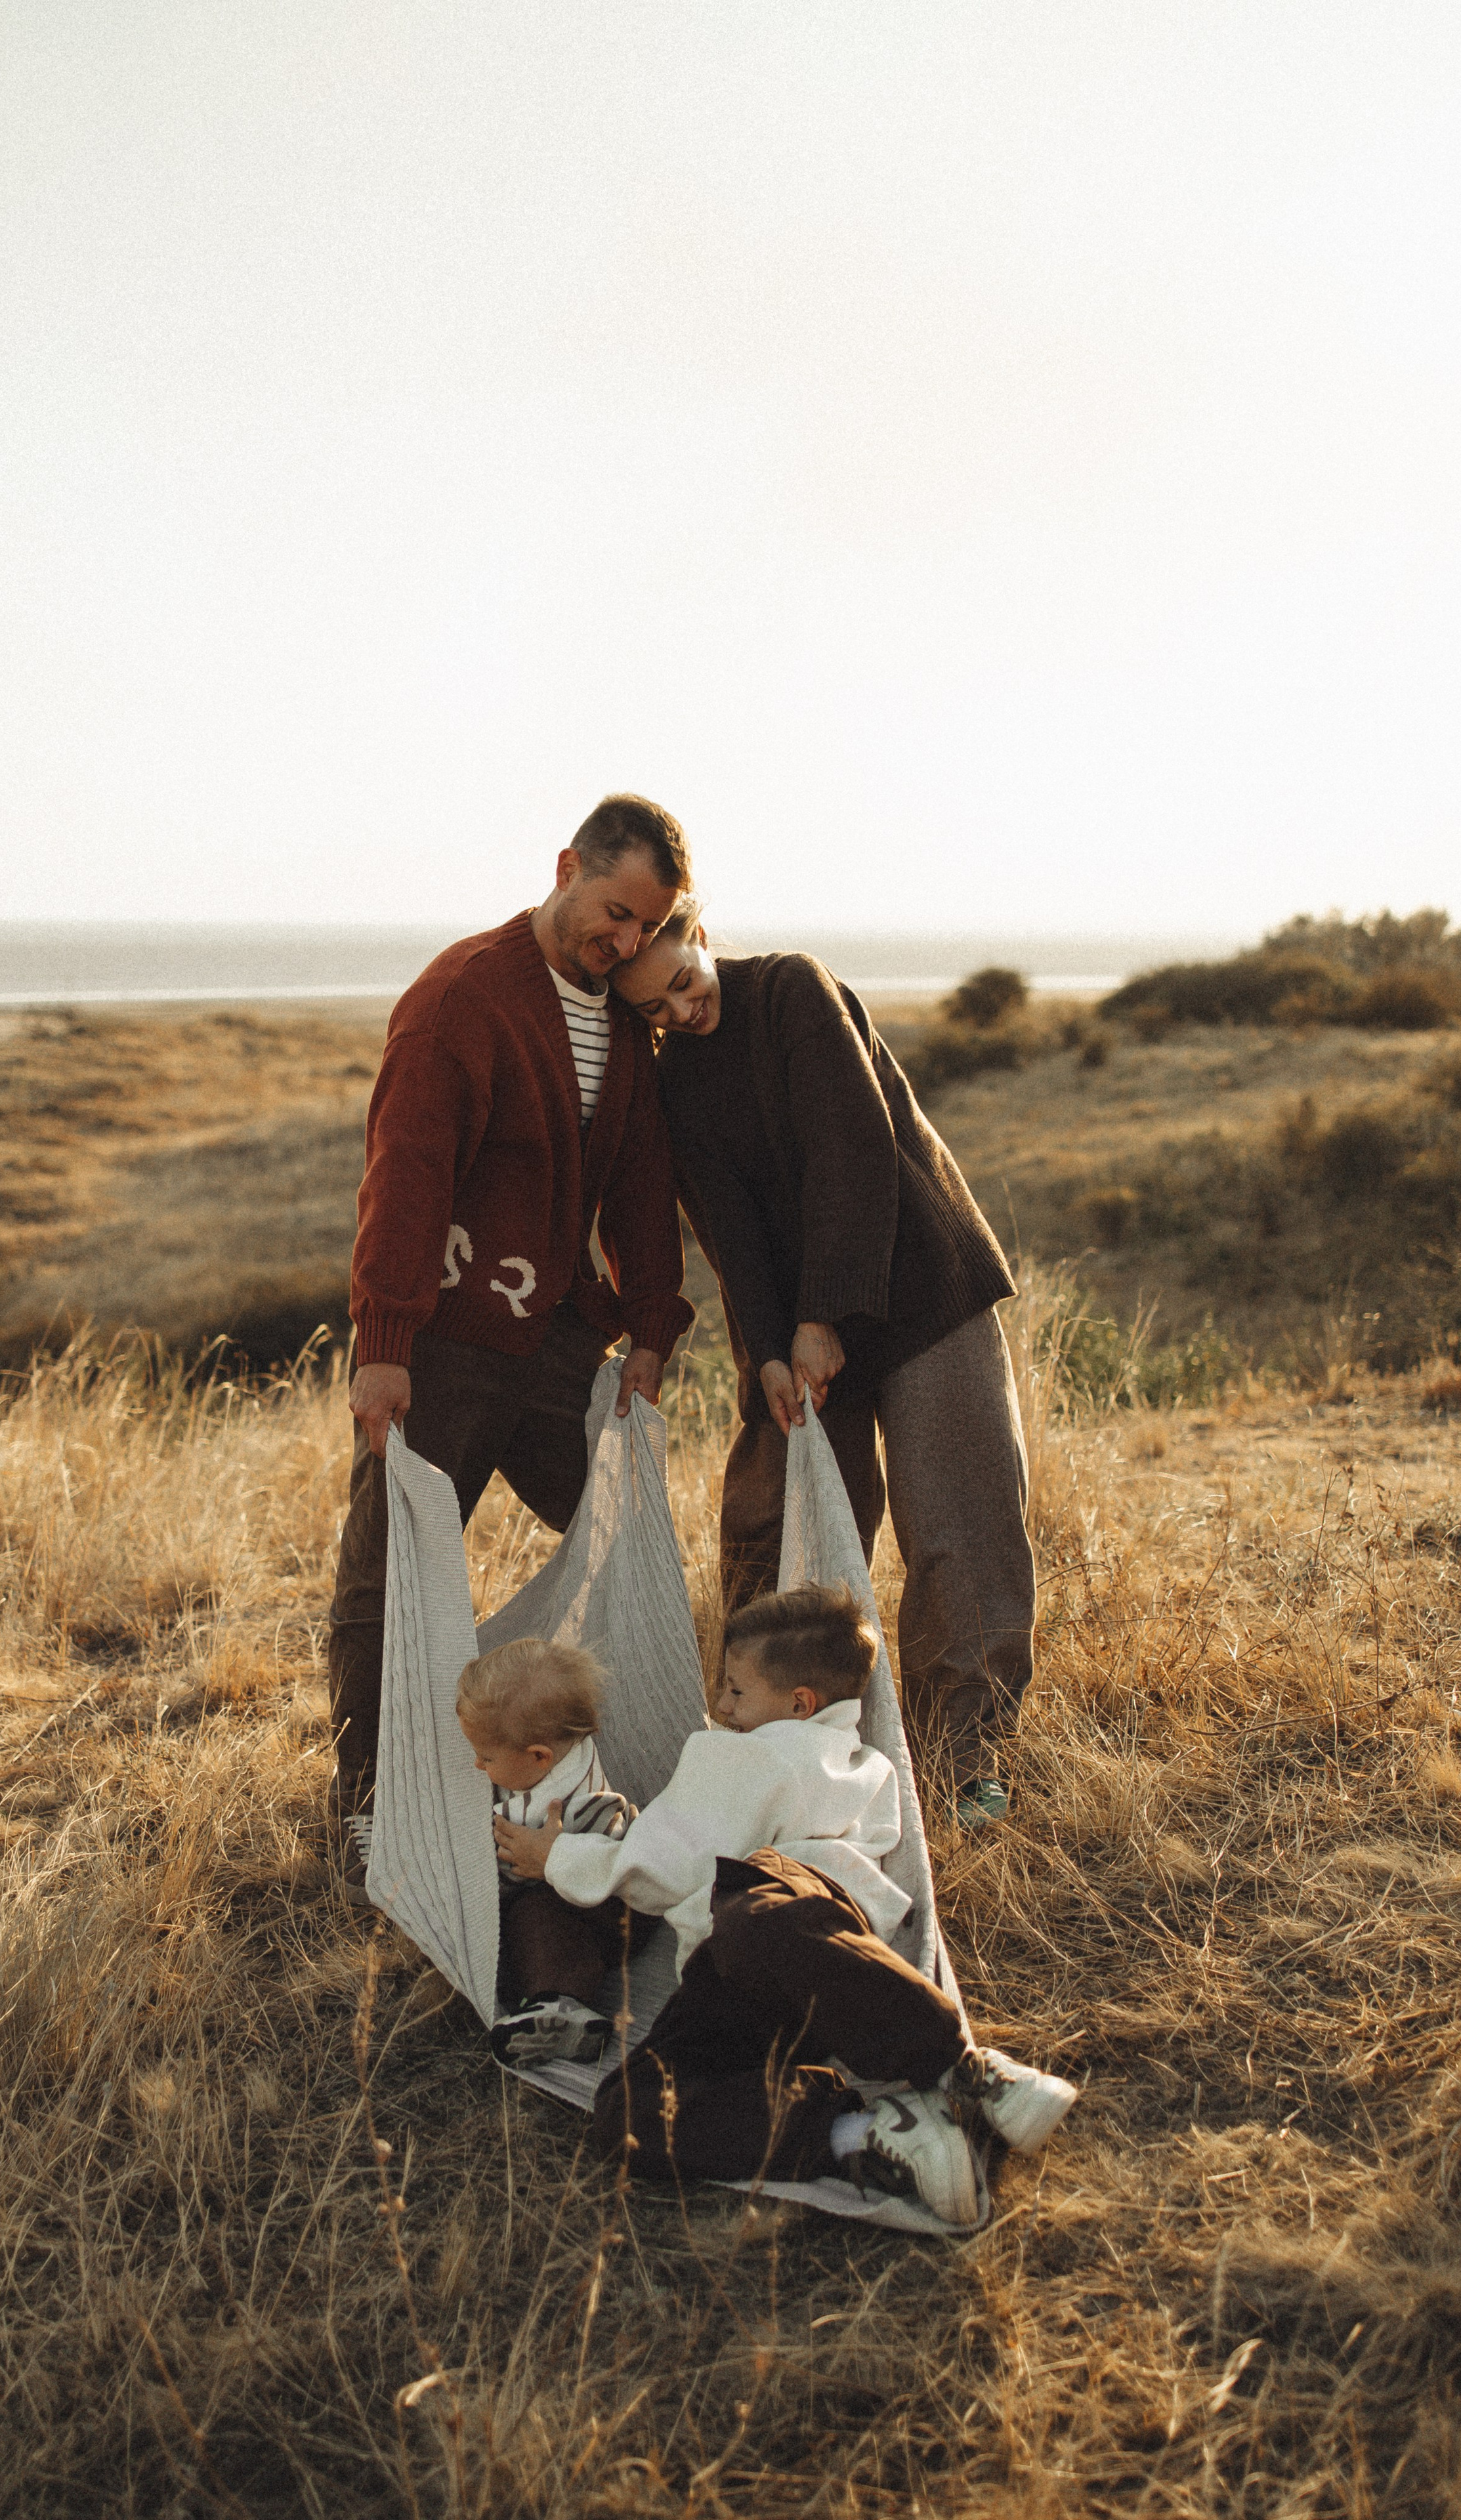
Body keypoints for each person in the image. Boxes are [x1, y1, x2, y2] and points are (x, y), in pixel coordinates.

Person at [327, 796, 696, 1902]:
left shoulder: (622, 1022)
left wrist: (652, 1326)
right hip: (444, 1342)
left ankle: (594, 1783)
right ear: (566, 866)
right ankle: (368, 1809)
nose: (626, 943)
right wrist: (383, 1340)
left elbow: (637, 1181)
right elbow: (405, 1178)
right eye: (616, 912)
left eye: (646, 929)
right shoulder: (460, 1001)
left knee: (621, 1537)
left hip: (556, 1347)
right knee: (392, 1573)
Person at [611, 904, 1034, 1832]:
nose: (680, 1012)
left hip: (923, 1288)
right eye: (654, 1011)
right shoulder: (676, 1079)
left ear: (700, 932)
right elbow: (729, 1229)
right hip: (801, 1328)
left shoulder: (791, 988)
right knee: (774, 1517)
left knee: (959, 1523)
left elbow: (855, 1148)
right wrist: (768, 1349)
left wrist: (819, 1317)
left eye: (683, 982)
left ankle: (968, 1757)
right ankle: (778, 1753)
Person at [496, 1586, 1075, 2230]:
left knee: (750, 1912)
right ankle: (867, 2131)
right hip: (805, 1976)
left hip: (779, 1917)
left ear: (798, 1705)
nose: (720, 1705)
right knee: (627, 2113)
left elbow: (665, 1866)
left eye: (737, 1692)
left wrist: (557, 1858)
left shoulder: (740, 1755)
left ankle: (961, 2068)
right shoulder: (866, 1765)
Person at [456, 1635, 642, 2069]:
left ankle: (561, 2007)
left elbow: (496, 1879)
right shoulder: (567, 1750)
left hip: (609, 1905)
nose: (477, 1767)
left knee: (533, 1916)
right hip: (609, 1883)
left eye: (485, 1757)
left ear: (539, 1756)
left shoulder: (545, 1811)